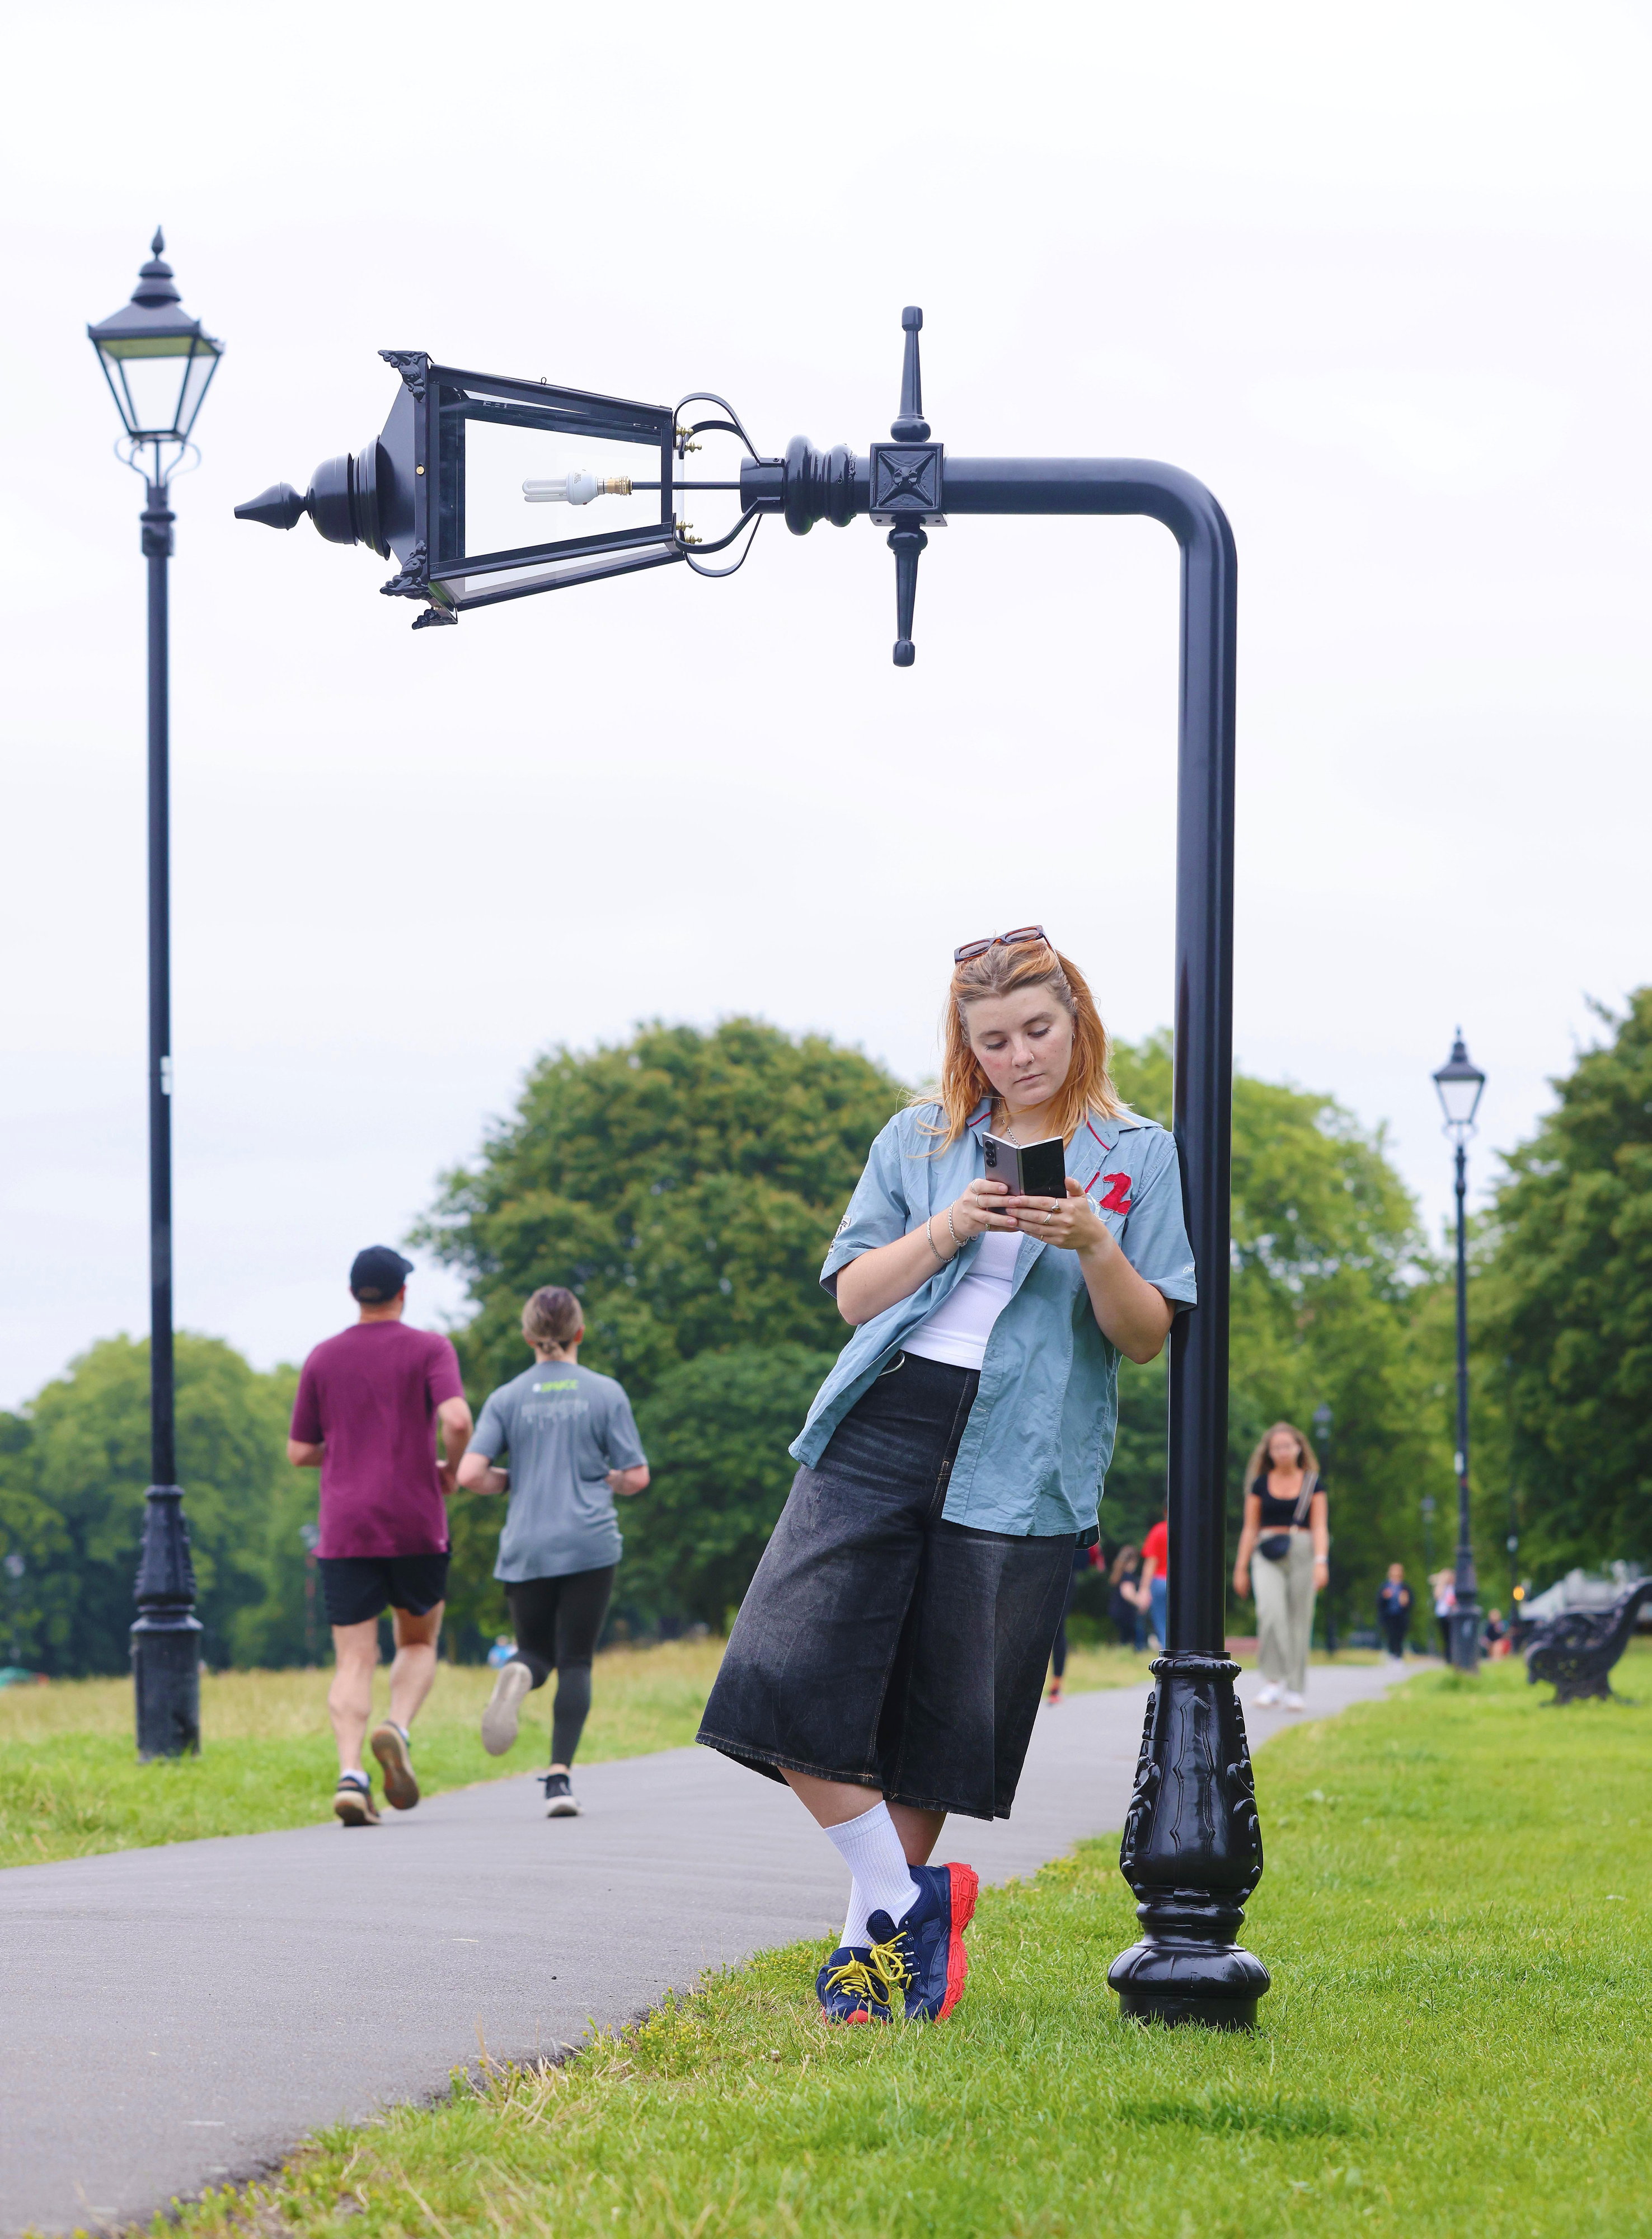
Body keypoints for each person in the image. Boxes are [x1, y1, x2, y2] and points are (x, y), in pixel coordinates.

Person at [697, 928, 1196, 2025]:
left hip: (1028, 1448)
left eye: (1039, 1030)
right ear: (965, 1042)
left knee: (939, 1709)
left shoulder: (1139, 1150)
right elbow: (853, 1294)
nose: (1021, 1055)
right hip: (885, 1414)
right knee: (777, 1666)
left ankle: (867, 1956)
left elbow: (1147, 1334)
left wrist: (1094, 1243)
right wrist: (951, 1224)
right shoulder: (920, 1139)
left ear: (1079, 1022)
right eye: (996, 1038)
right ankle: (900, 1891)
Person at [288, 1246, 473, 1827]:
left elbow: (299, 1452)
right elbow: (459, 1419)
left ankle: (351, 1774)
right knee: (417, 1641)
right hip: (416, 1521)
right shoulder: (429, 1348)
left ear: (353, 1294)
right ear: (403, 1293)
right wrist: (452, 1467)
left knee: (354, 1658)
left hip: (347, 1528)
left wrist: (342, 1447)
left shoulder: (323, 1356)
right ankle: (396, 1726)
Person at [457, 1286, 649, 1818]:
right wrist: (605, 1479)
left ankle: (519, 1670)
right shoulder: (605, 1393)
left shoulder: (506, 1397)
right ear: (579, 1333)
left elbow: (470, 1474)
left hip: (526, 1545)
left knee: (536, 1652)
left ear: (528, 1337)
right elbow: (637, 1477)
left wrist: (510, 1480)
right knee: (576, 1660)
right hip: (588, 1542)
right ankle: (559, 1781)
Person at [1232, 1421, 1329, 1711]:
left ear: (1299, 1448)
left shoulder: (1314, 1482)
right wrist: (1240, 1567)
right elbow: (1249, 1528)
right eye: (1277, 1448)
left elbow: (1321, 1526)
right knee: (1271, 1613)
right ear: (1269, 1452)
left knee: (1300, 1619)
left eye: (1288, 1446)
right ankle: (1273, 1682)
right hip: (1266, 1551)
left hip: (1303, 1550)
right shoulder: (1260, 1484)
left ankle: (1295, 1688)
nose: (1283, 1452)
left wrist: (1322, 1562)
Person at [1046, 1544, 1099, 1703]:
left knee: (1056, 1627)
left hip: (1064, 1570)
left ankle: (1056, 1685)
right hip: (1049, 1568)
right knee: (1051, 1628)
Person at [1138, 1513, 1168, 1650]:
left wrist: (1144, 1589)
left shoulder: (1159, 1531)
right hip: (1183, 1584)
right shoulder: (1189, 1531)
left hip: (1160, 1581)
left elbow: (1151, 1562)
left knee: (1162, 1621)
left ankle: (1167, 1651)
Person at [1107, 1543, 1146, 1649]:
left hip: (1116, 1610)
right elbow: (1127, 1593)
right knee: (1130, 1639)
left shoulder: (1118, 1573)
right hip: (1125, 1612)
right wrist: (1140, 1603)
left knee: (1124, 1638)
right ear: (1133, 1561)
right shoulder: (1127, 1575)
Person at [1377, 1562, 1412, 1662]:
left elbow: (1410, 1603)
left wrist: (1406, 1601)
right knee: (1390, 1635)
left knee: (1400, 1636)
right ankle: (1391, 1655)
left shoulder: (1405, 1587)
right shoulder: (1385, 1586)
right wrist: (1384, 1597)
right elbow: (1379, 1602)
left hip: (1401, 1616)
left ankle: (1399, 1656)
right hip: (1389, 1615)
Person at [1432, 1568, 1457, 1659]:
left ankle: (1455, 1656)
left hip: (1454, 1615)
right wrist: (1442, 1582)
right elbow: (1437, 1596)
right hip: (1443, 1614)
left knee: (1454, 1637)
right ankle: (1448, 1657)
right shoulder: (1442, 1587)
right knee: (1446, 1637)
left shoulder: (1455, 1587)